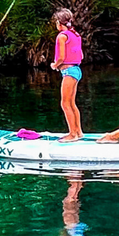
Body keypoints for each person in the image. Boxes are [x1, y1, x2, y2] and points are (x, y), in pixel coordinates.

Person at [51, 9, 86, 140]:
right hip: (76, 70)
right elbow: (81, 55)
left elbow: (60, 57)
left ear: (59, 23)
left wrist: (54, 65)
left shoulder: (62, 36)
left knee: (65, 103)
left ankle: (72, 134)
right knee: (71, 103)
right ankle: (78, 132)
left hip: (68, 71)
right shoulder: (75, 35)